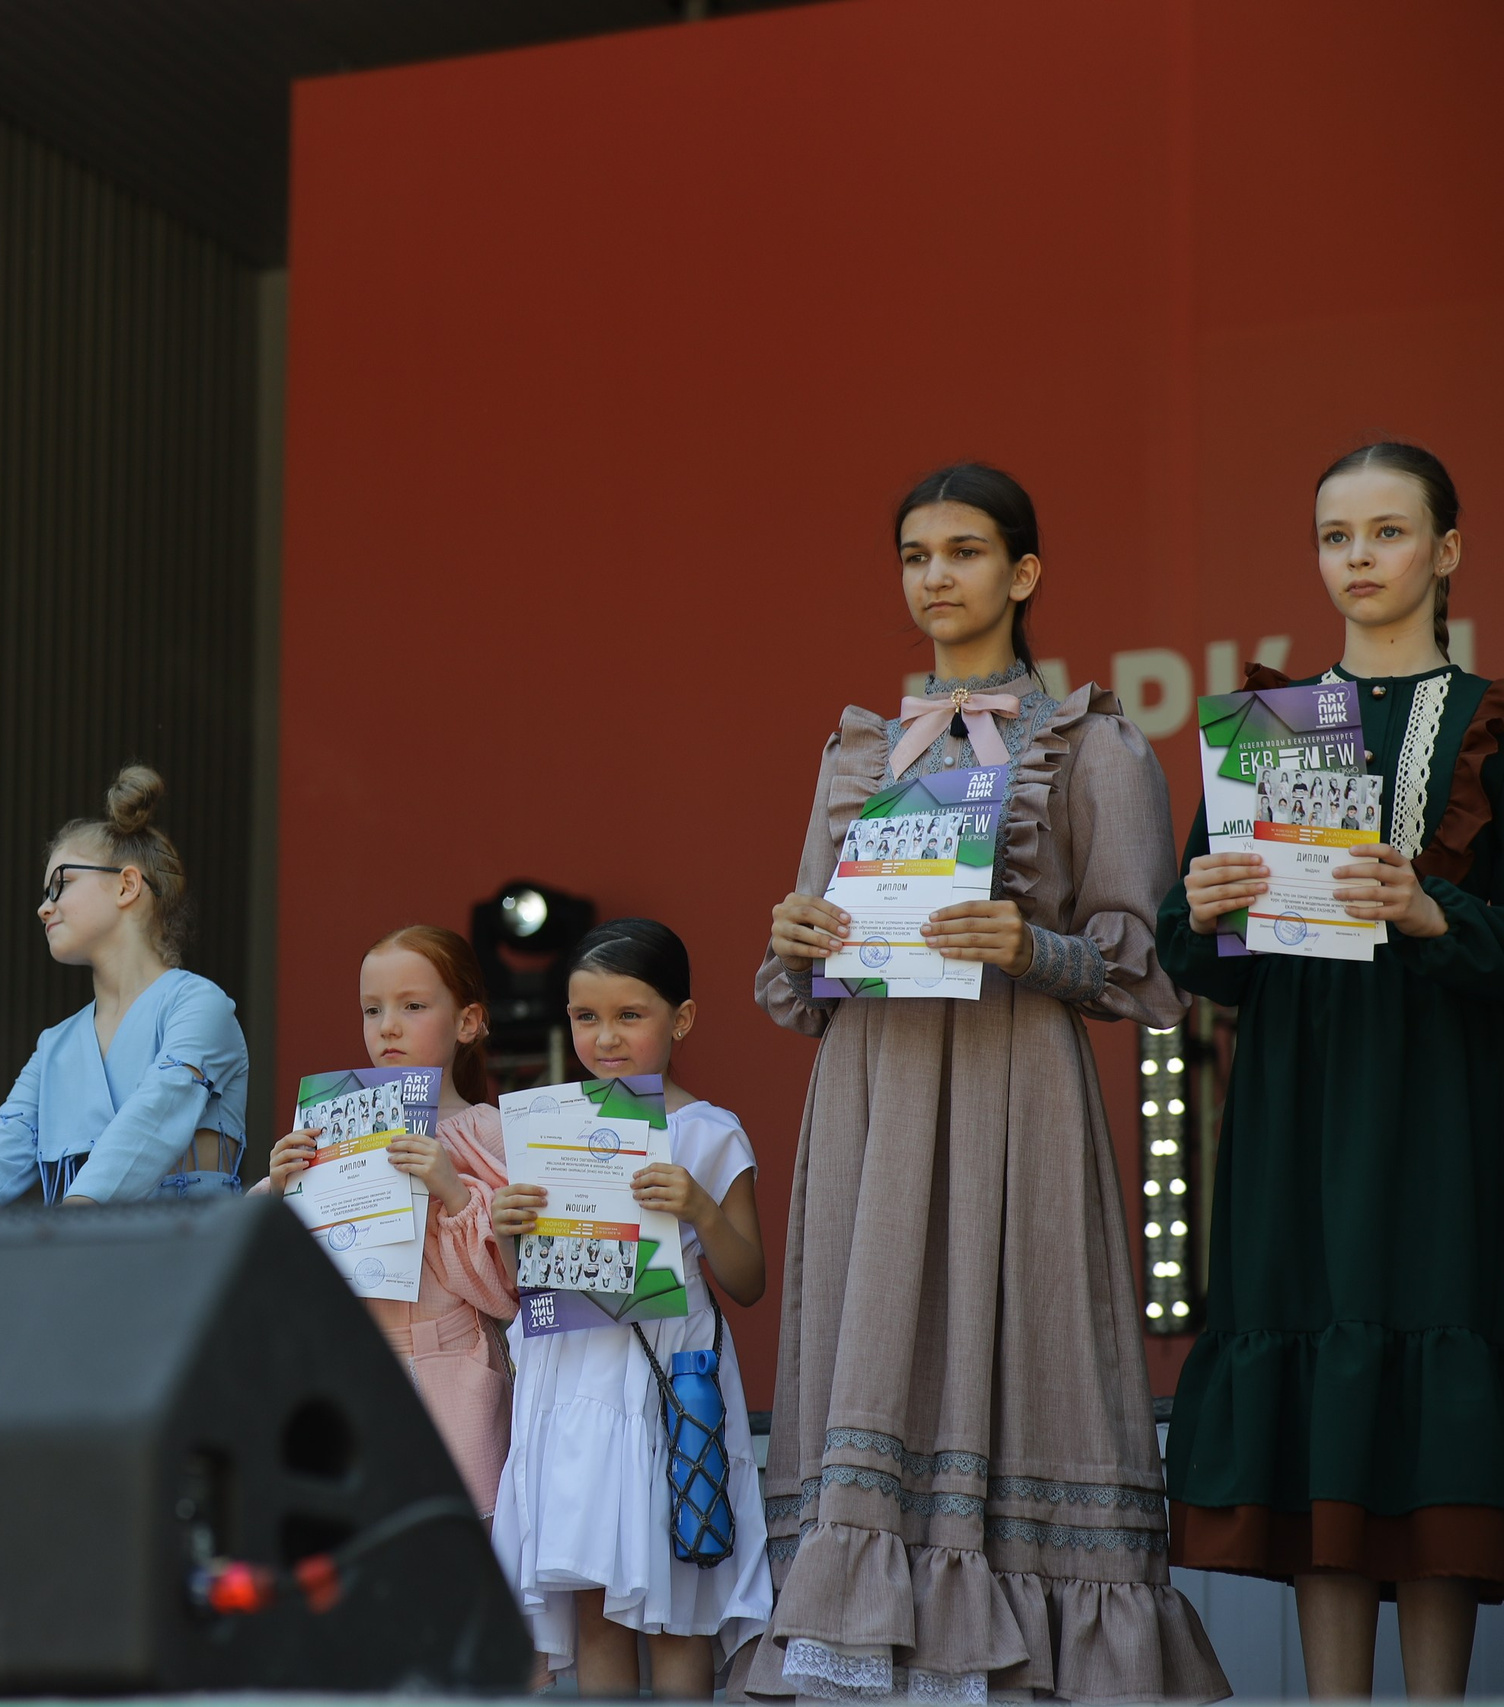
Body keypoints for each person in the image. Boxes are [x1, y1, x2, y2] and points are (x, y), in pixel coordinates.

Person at [756, 463, 1224, 1702]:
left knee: (1017, 1346)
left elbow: (1143, 965)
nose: (935, 578)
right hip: (875, 1087)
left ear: (1021, 574)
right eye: (915, 556)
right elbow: (801, 982)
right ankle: (865, 1646)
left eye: (963, 553)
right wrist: (798, 939)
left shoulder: (1091, 740)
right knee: (872, 1360)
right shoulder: (856, 747)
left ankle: (1026, 1652)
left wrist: (1032, 944)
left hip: (1013, 1083)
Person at [1160, 442, 1501, 1697]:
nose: (1357, 559)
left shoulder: (1490, 723)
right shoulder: (1268, 722)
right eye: (1334, 536)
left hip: (1439, 1110)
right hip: (1297, 1109)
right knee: (1317, 1411)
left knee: (1423, 1405)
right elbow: (1202, 962)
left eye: (1386, 533)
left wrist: (1436, 919)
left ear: (1446, 550)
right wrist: (1197, 906)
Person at [490, 919, 771, 1695]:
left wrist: (702, 1209)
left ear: (680, 1018)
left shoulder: (709, 1132)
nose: (605, 1037)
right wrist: (507, 1228)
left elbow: (748, 1279)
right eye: (586, 1017)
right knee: (595, 1609)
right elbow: (536, 1285)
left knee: (677, 1606)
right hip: (573, 1384)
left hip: (662, 1390)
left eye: (630, 1015)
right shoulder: (555, 1129)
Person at [0, 766, 249, 1211]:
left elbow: (155, 1116)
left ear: (126, 885)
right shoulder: (55, 1047)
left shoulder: (200, 1005)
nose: (44, 908)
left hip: (194, 1268)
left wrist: (74, 1218)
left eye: (61, 884)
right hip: (83, 1263)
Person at [262, 926, 519, 1512]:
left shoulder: (490, 1134)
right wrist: (277, 1190)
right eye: (372, 1009)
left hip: (456, 1377)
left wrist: (452, 1190)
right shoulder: (335, 1128)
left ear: (468, 1022)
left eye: (413, 1006)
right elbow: (280, 1280)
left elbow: (510, 1292)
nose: (388, 1027)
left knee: (456, 1554)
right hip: (352, 1373)